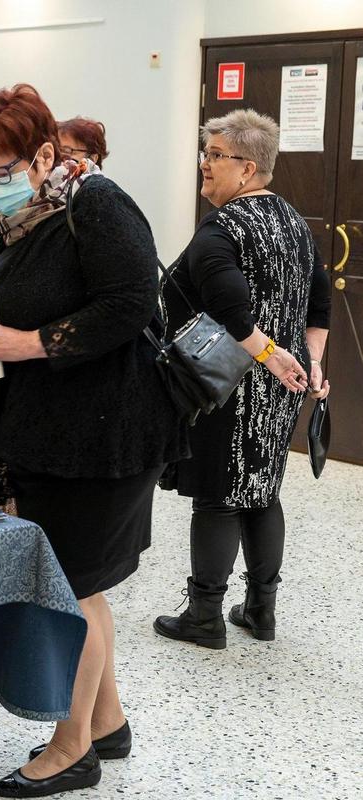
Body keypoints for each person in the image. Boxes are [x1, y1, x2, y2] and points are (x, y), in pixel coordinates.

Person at [0, 84, 185, 798]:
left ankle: (73, 750)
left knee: (72, 591)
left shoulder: (94, 203)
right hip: (53, 435)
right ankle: (107, 723)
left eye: (2, 172)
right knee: (80, 585)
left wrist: (30, 342)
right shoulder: (22, 221)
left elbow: (130, 303)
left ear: (43, 155)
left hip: (104, 436)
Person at [153, 109, 331, 649]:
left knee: (218, 495)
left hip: (226, 383)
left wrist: (271, 355)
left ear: (248, 168)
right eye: (205, 153)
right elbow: (320, 305)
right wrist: (310, 362)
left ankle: (204, 615)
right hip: (282, 387)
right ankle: (260, 610)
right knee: (262, 489)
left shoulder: (223, 226)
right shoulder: (294, 222)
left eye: (215, 156)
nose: (204, 165)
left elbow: (230, 303)